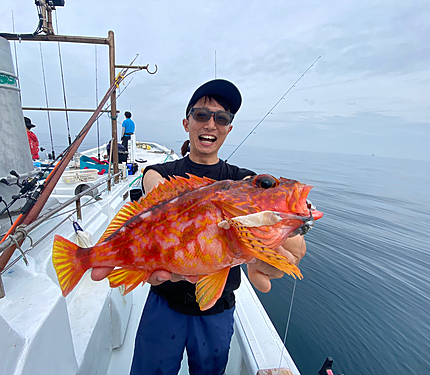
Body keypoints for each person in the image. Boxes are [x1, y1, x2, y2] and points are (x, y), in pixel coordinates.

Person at [91, 79, 307, 374]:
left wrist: (292, 231)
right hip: (164, 301)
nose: (211, 124)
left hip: (217, 308)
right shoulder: (161, 174)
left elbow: (263, 209)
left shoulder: (243, 182)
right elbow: (155, 193)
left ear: (229, 128)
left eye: (221, 118)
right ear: (187, 122)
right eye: (201, 115)